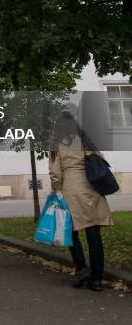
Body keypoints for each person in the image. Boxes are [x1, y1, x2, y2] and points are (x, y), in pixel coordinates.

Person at [49, 111, 113, 291]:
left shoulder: (57, 145)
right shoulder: (87, 141)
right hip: (92, 190)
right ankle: (97, 279)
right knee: (94, 236)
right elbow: (101, 161)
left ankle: (81, 269)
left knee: (71, 234)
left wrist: (57, 191)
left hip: (71, 192)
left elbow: (55, 174)